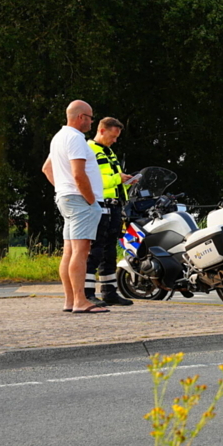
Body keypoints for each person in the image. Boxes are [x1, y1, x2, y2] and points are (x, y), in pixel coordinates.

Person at [41, 100, 108, 313]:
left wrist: (63, 187)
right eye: (90, 117)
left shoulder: (58, 138)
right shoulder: (77, 139)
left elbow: (46, 169)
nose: (91, 121)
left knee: (69, 251)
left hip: (66, 199)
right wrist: (90, 201)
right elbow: (79, 174)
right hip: (80, 201)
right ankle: (80, 301)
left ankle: (70, 301)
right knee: (81, 251)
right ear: (81, 117)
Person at [84, 117, 134, 306]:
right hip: (98, 204)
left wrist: (126, 183)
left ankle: (109, 292)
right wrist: (117, 179)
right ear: (102, 131)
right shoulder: (89, 150)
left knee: (109, 250)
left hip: (114, 205)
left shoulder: (108, 152)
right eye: (113, 136)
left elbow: (112, 179)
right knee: (95, 249)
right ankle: (87, 293)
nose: (114, 141)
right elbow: (92, 179)